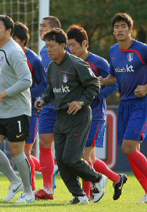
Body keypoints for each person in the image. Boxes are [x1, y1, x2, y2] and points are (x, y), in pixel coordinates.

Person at [35, 28, 107, 205]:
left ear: (63, 46)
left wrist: (81, 102)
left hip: (79, 116)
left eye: (51, 46)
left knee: (71, 159)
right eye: (47, 46)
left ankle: (98, 179)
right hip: (61, 116)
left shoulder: (77, 64)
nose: (48, 50)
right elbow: (50, 90)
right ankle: (80, 196)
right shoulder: (52, 67)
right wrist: (43, 100)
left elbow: (94, 85)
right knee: (61, 159)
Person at [67, 24, 127, 201]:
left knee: (83, 157)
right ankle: (117, 179)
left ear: (85, 42)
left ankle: (86, 195)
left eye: (74, 45)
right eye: (69, 45)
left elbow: (115, 84)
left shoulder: (99, 62)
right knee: (89, 157)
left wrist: (96, 96)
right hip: (78, 116)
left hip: (95, 116)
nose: (71, 49)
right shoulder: (70, 62)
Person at [0, 15, 34, 203]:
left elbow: (27, 80)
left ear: (9, 31)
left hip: (18, 110)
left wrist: (3, 94)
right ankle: (15, 182)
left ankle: (29, 192)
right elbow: (1, 76)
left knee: (16, 151)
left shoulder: (14, 51)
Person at [99, 12, 147, 204]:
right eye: (116, 27)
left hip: (141, 104)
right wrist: (102, 81)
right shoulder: (113, 51)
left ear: (130, 29)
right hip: (125, 104)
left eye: (123, 26)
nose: (119, 30)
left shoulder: (142, 50)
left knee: (128, 148)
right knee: (131, 150)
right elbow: (113, 77)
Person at [12, 21, 47, 193]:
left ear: (24, 41)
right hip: (12, 109)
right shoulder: (8, 56)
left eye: (16, 39)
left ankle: (30, 189)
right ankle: (48, 169)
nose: (12, 43)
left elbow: (44, 85)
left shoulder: (33, 60)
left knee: (25, 151)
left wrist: (26, 91)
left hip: (30, 110)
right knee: (17, 151)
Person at [35, 16, 62, 200]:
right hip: (47, 106)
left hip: (63, 107)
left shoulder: (65, 52)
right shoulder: (42, 52)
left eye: (43, 26)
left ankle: (90, 186)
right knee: (44, 144)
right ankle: (47, 188)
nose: (40, 28)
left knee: (67, 152)